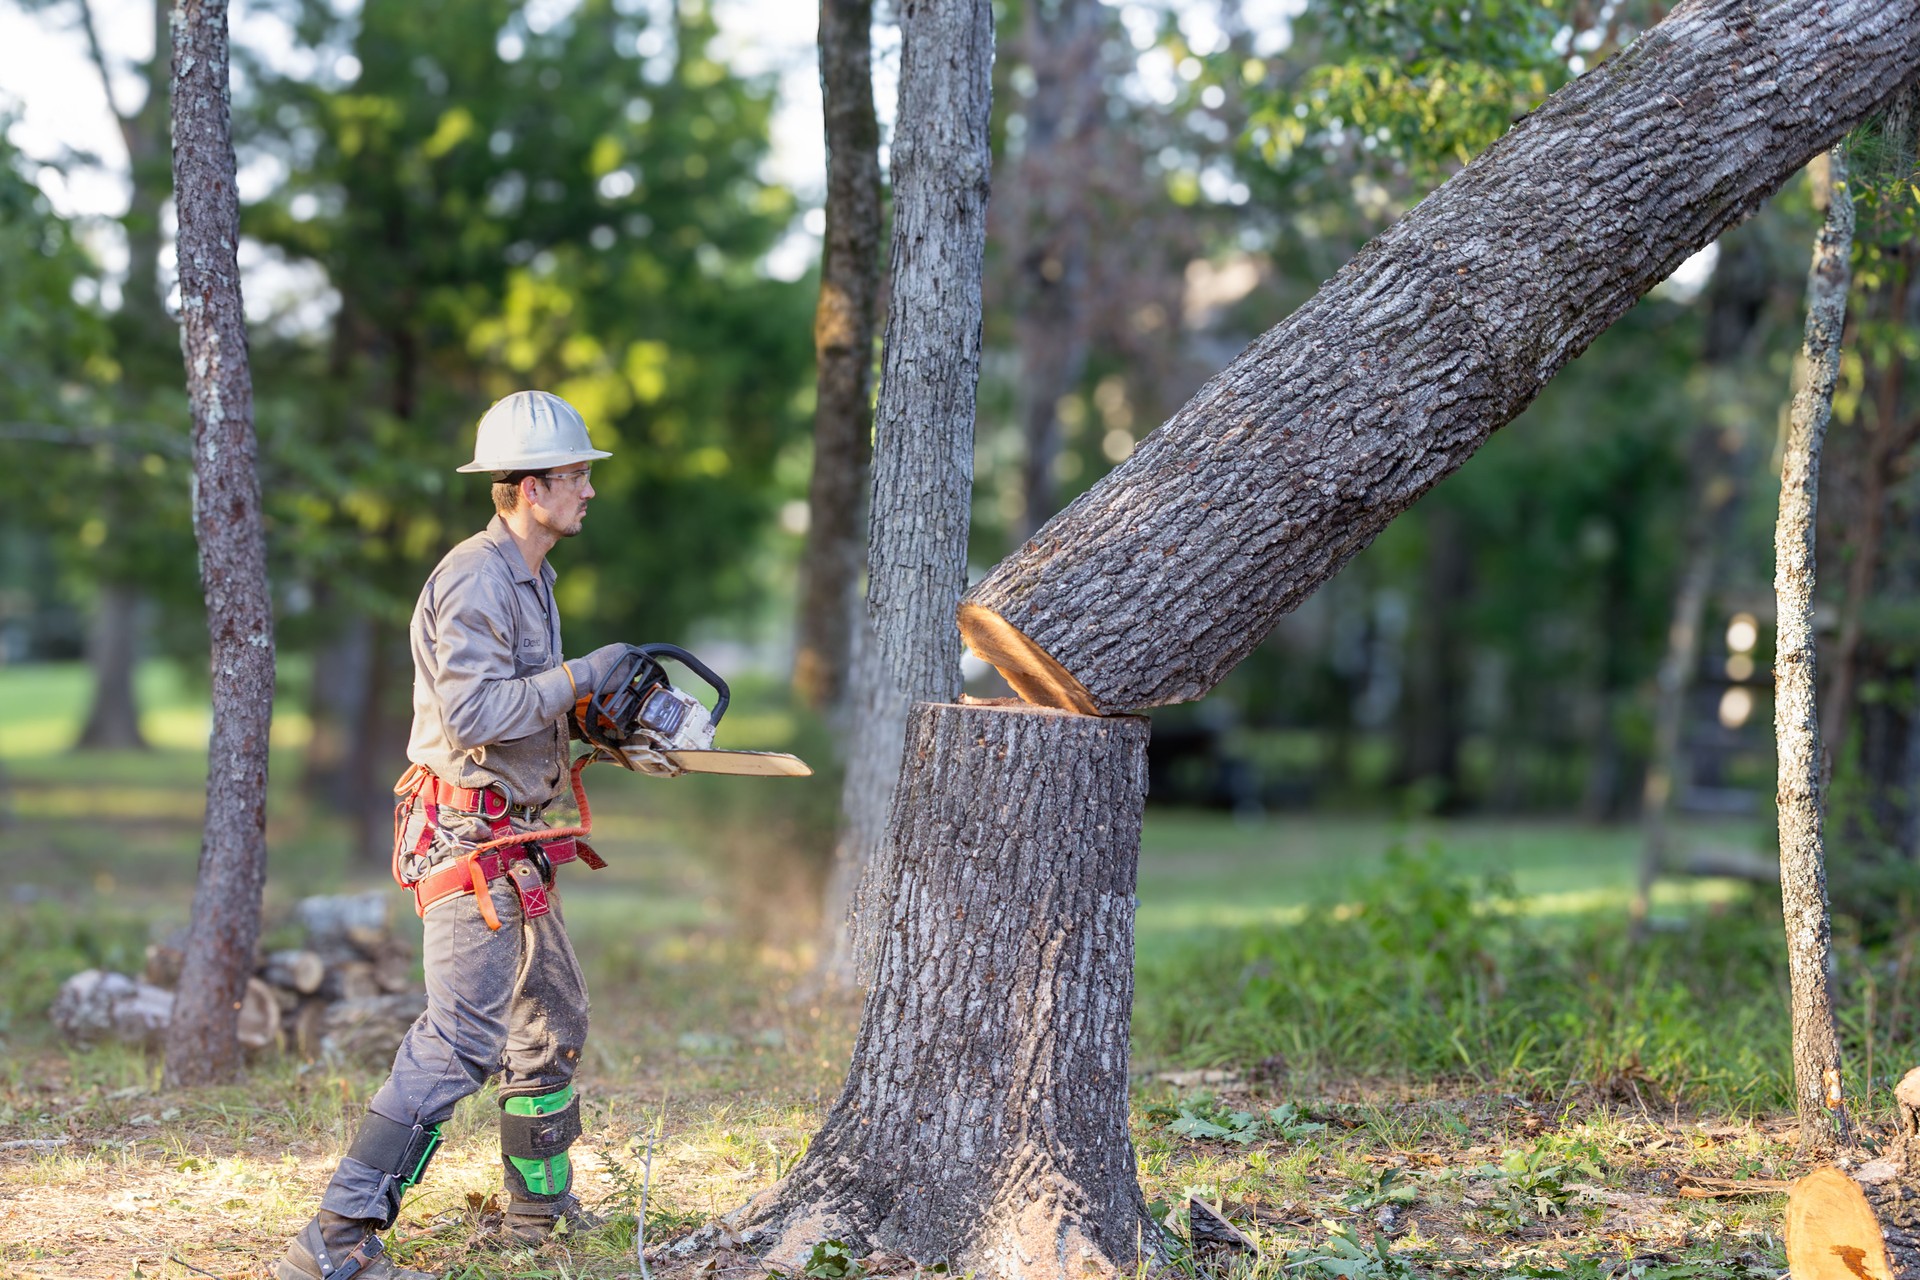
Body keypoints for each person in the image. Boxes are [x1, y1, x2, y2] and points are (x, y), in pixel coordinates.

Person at [275, 391, 633, 1280]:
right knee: (462, 1039)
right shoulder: (475, 576)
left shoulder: (532, 574)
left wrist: (597, 720)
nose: (589, 489)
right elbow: (473, 710)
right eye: (577, 474)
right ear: (528, 486)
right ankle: (337, 1240)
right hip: (467, 840)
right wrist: (581, 673)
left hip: (510, 836)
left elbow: (519, 704)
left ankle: (538, 1216)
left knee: (550, 1020)